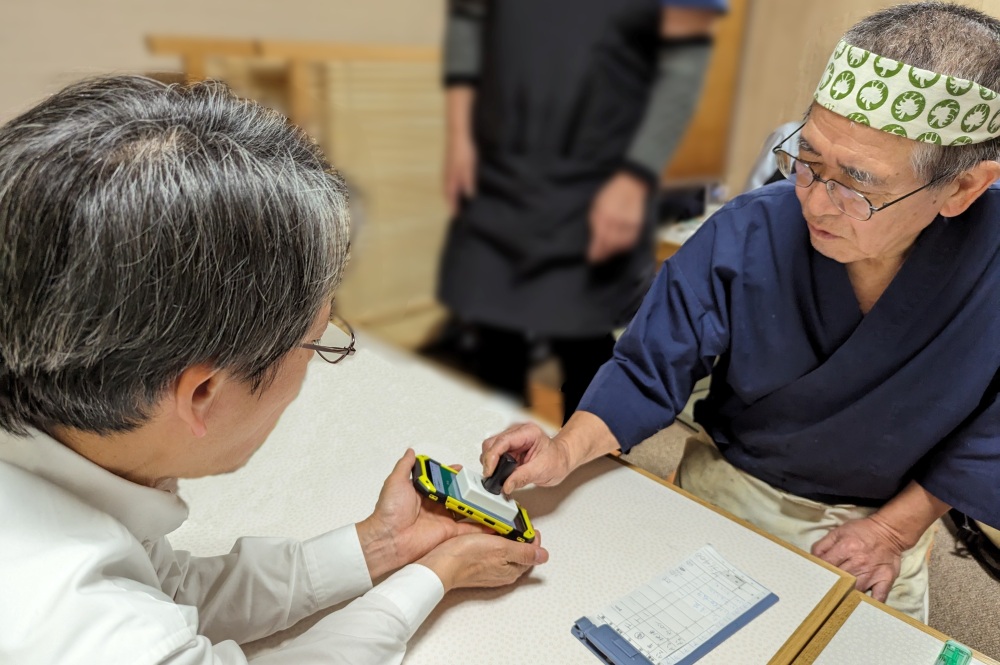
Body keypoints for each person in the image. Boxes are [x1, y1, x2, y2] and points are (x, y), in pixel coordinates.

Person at [480, 1, 1000, 622]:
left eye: (857, 185)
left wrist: (890, 533)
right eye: (806, 159)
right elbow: (649, 368)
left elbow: (993, 430)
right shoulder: (751, 229)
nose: (815, 203)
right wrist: (564, 450)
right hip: (730, 482)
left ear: (964, 188)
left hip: (885, 521)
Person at [0, 76, 547, 665]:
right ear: (203, 393)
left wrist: (383, 545)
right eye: (315, 345)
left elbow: (162, 592)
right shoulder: (83, 633)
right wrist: (436, 574)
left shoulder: (61, 455)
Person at [436, 0, 727, 422]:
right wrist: (461, 136)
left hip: (601, 168)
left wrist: (634, 175)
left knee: (584, 340)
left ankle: (580, 461)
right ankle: (490, 456)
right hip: (503, 160)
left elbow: (683, 57)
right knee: (496, 330)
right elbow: (468, 18)